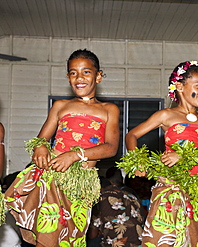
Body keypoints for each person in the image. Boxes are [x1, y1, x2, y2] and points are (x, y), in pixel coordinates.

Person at [4, 49, 120, 247]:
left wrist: (75, 155)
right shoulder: (60, 105)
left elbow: (111, 148)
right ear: (68, 77)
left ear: (98, 76)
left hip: (80, 183)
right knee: (47, 236)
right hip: (51, 177)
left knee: (71, 238)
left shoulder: (109, 109)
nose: (79, 78)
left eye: (86, 72)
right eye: (73, 72)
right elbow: (41, 139)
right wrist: (40, 148)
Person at [125, 61, 198, 246]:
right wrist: (137, 162)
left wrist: (183, 156)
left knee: (190, 240)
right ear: (179, 87)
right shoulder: (166, 115)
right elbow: (132, 135)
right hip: (169, 186)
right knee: (161, 239)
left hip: (194, 190)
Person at [92, 167, 144, 247]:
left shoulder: (100, 199)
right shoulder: (131, 196)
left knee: (93, 241)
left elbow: (93, 234)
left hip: (117, 244)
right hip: (139, 242)